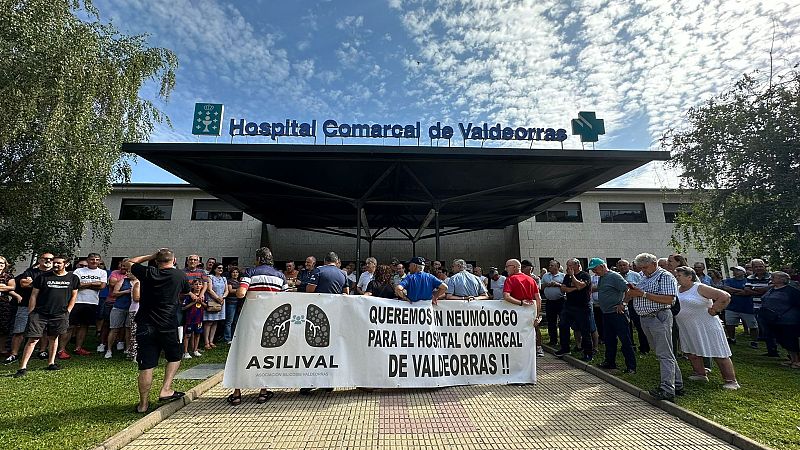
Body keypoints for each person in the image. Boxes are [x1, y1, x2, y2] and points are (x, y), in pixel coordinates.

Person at [123, 248, 191, 414]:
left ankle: (143, 404)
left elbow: (128, 262)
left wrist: (151, 256)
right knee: (175, 356)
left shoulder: (148, 273)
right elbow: (185, 291)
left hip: (145, 323)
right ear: (174, 260)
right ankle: (166, 389)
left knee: (147, 365)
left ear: (156, 261)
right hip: (168, 323)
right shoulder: (180, 275)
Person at [228, 247, 287, 406]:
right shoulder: (280, 275)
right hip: (271, 320)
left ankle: (237, 393)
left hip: (251, 318)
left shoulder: (250, 272)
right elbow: (285, 297)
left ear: (259, 259)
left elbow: (241, 293)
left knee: (243, 352)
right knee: (266, 354)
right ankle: (263, 391)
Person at [624, 253, 683, 402]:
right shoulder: (643, 276)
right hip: (646, 318)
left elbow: (669, 299)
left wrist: (643, 294)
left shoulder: (665, 276)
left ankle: (667, 389)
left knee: (664, 354)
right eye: (641, 268)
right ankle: (677, 384)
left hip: (659, 316)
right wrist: (632, 293)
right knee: (663, 352)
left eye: (645, 267)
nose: (643, 270)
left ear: (654, 264)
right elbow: (638, 293)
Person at [13, 256, 80, 377]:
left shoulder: (73, 278)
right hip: (40, 313)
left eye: (58, 263)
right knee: (33, 339)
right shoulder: (43, 277)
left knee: (53, 338)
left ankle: (51, 363)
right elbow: (34, 295)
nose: (55, 265)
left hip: (60, 314)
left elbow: (74, 295)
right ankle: (22, 367)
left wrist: (68, 311)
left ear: (66, 264)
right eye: (54, 263)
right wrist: (31, 312)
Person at [674, 266, 739, 389]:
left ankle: (731, 380)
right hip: (687, 326)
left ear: (689, 277)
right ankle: (700, 373)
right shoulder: (677, 290)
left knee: (719, 352)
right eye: (676, 276)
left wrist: (715, 309)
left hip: (706, 325)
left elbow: (724, 296)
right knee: (692, 351)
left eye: (679, 276)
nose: (677, 278)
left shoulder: (699, 287)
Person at [4, 253, 54, 365]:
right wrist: (44, 284)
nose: (48, 261)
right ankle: (14, 353)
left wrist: (33, 283)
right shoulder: (30, 271)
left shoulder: (53, 274)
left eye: (51, 259)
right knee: (19, 330)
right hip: (25, 305)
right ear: (40, 260)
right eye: (45, 258)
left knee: (44, 331)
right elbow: (23, 283)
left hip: (45, 306)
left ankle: (42, 351)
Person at [591, 258, 636, 374]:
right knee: (609, 339)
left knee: (625, 340)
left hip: (617, 313)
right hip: (606, 313)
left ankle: (631, 366)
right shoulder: (602, 278)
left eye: (595, 269)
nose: (594, 272)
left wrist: (623, 304)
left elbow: (629, 290)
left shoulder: (614, 277)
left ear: (602, 266)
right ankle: (610, 362)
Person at [57, 253, 107, 357]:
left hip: (92, 302)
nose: (94, 261)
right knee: (70, 325)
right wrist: (93, 283)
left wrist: (84, 284)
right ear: (87, 260)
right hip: (77, 301)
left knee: (84, 325)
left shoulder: (102, 272)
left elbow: (102, 286)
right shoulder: (79, 271)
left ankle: (78, 348)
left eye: (97, 259)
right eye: (92, 259)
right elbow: (75, 284)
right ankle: (61, 350)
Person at [759, 271, 800, 368]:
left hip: (789, 320)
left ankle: (797, 361)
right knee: (783, 340)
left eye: (774, 277)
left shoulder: (791, 290)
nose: (771, 278)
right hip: (774, 320)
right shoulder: (772, 289)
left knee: (791, 340)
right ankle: (792, 359)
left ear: (783, 279)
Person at [502, 259, 543, 356]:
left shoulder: (510, 279)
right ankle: (533, 353)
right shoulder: (531, 280)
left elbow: (506, 296)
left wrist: (520, 303)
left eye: (507, 266)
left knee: (515, 338)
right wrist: (537, 315)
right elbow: (538, 299)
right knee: (529, 336)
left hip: (515, 314)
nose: (506, 269)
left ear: (514, 267)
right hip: (529, 313)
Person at [556, 259, 593, 362]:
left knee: (585, 330)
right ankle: (565, 348)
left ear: (577, 265)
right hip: (569, 306)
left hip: (582, 307)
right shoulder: (566, 276)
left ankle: (588, 353)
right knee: (563, 325)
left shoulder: (585, 275)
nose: (568, 268)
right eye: (567, 266)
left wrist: (573, 277)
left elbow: (580, 286)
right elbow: (563, 289)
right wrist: (574, 288)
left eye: (570, 266)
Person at [743, 259, 775, 356]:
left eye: (760, 266)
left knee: (774, 328)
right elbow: (746, 290)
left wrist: (754, 289)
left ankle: (777, 349)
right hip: (757, 306)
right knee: (764, 328)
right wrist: (761, 291)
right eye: (756, 267)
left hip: (771, 307)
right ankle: (771, 350)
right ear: (752, 268)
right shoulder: (750, 278)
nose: (758, 268)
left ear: (765, 266)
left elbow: (770, 288)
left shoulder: (771, 276)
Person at [105, 271, 140, 359]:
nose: (127, 274)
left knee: (129, 329)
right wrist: (126, 291)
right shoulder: (123, 281)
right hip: (119, 307)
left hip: (132, 309)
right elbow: (114, 293)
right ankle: (109, 350)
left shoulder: (140, 282)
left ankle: (128, 349)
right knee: (114, 329)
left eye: (129, 272)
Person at [721, 266, 758, 347]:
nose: (735, 272)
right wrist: (741, 291)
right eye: (734, 270)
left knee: (753, 325)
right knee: (729, 324)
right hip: (731, 306)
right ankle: (732, 338)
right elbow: (727, 289)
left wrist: (737, 292)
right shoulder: (728, 280)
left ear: (743, 272)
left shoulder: (748, 281)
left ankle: (754, 341)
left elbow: (749, 292)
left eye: (737, 270)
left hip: (747, 307)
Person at [617, 259, 648, 354]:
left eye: (624, 265)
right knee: (626, 326)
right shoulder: (616, 276)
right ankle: (630, 346)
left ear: (629, 266)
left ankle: (644, 348)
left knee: (639, 325)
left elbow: (642, 287)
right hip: (622, 303)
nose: (622, 267)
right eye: (620, 265)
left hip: (634, 302)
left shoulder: (636, 275)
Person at [0, 256, 22, 357]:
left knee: (3, 327)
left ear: (5, 265)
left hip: (3, 304)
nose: (0, 265)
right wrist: (4, 287)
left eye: (2, 263)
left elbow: (12, 287)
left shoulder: (8, 276)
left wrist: (6, 288)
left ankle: (2, 349)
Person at [203, 263, 228, 350]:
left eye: (222, 268)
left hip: (221, 301)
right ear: (214, 269)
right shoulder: (210, 277)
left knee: (215, 322)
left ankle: (211, 341)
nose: (221, 269)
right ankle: (206, 342)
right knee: (209, 322)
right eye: (219, 268)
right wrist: (217, 298)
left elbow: (227, 290)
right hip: (212, 301)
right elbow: (209, 289)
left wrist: (223, 297)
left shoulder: (224, 278)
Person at [182, 279, 206, 359]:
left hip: (199, 319)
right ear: (192, 286)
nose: (198, 286)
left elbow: (207, 306)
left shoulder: (203, 295)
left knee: (197, 334)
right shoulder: (189, 296)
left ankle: (195, 350)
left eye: (200, 284)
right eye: (196, 284)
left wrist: (201, 302)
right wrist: (194, 302)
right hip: (190, 319)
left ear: (202, 286)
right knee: (187, 335)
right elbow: (183, 307)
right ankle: (185, 352)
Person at [223, 267, 241, 344]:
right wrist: (240, 290)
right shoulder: (229, 281)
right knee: (229, 321)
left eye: (236, 272)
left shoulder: (240, 282)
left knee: (235, 321)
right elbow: (230, 290)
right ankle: (227, 338)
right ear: (231, 273)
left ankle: (234, 337)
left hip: (239, 303)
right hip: (231, 302)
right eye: (233, 272)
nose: (235, 274)